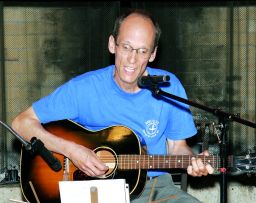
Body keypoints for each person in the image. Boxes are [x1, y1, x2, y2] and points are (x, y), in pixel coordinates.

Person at [12, 9, 214, 203]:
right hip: (89, 191)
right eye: (126, 47)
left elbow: (178, 148)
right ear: (112, 45)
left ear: (152, 54)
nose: (132, 59)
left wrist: (193, 162)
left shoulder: (168, 86)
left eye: (142, 51)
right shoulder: (83, 88)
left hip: (154, 189)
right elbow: (22, 123)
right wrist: (71, 150)